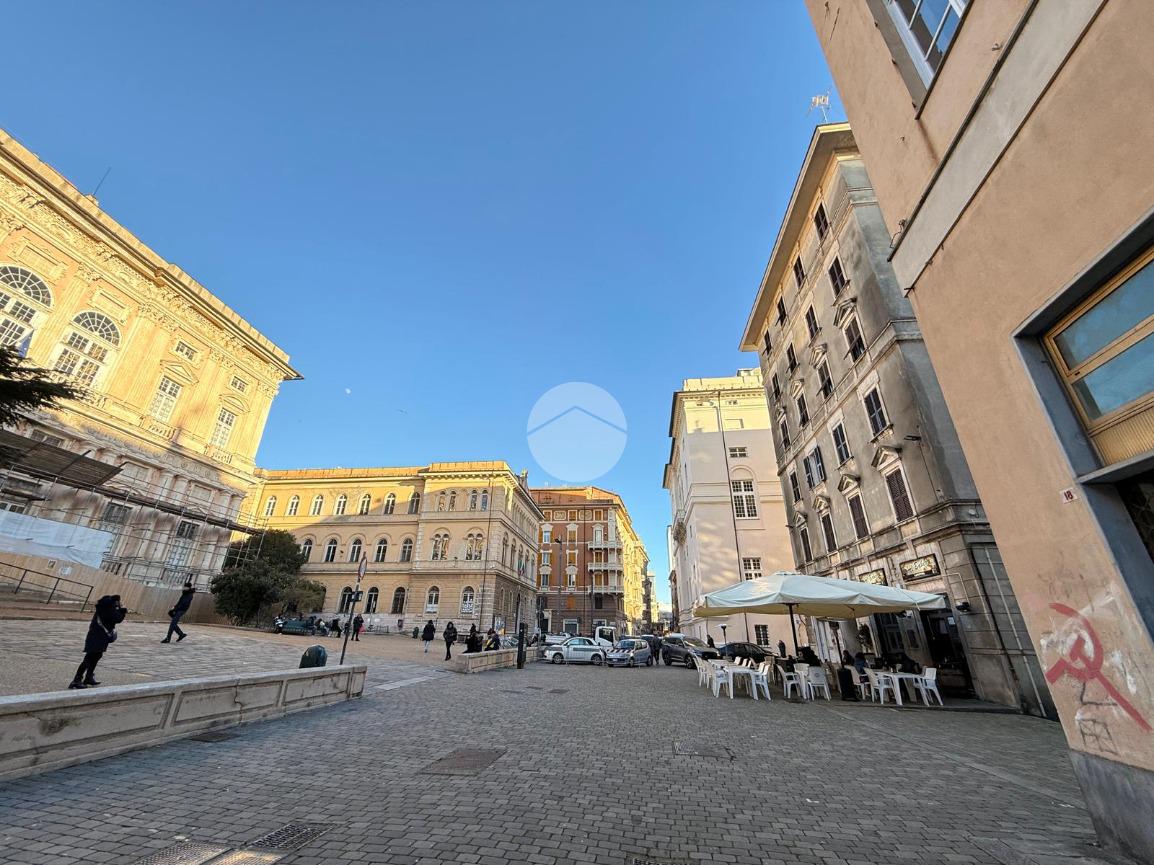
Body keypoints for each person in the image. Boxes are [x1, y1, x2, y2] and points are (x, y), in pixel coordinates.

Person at [69, 595, 127, 689]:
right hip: (98, 637)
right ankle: (76, 680)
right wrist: (123, 610)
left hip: (98, 636)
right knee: (89, 658)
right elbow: (117, 618)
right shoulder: (108, 608)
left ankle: (89, 677)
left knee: (96, 656)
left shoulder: (103, 606)